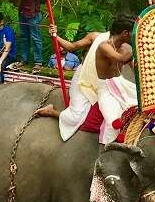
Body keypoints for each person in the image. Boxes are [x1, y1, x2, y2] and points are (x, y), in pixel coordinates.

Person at [36, 16, 136, 144]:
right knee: (76, 116)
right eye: (133, 33)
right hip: (85, 80)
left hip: (112, 83)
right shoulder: (96, 38)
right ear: (124, 32)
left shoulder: (125, 47)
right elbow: (71, 47)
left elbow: (134, 68)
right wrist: (55, 35)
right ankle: (51, 111)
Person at [0, 0, 43, 73]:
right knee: (24, 37)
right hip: (23, 11)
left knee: (35, 38)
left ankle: (38, 62)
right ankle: (24, 59)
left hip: (33, 12)